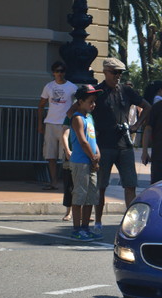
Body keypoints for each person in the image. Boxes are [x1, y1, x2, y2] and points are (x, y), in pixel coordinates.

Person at [70, 58, 151, 234]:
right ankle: (98, 222)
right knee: (100, 186)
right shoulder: (97, 92)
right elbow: (74, 111)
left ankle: (131, 224)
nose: (118, 76)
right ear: (105, 71)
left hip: (125, 146)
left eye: (120, 73)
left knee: (130, 185)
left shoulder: (127, 91)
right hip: (103, 146)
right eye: (115, 72)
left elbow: (147, 107)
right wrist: (86, 125)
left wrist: (137, 126)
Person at [69, 85, 103, 241]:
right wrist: (93, 157)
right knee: (79, 195)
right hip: (81, 162)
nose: (93, 104)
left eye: (94, 101)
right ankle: (76, 229)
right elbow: (83, 142)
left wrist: (98, 154)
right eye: (90, 101)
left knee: (91, 196)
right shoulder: (77, 118)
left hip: (91, 161)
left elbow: (93, 139)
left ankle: (85, 227)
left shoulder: (90, 118)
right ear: (80, 101)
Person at [37, 61, 77, 190]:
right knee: (51, 155)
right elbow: (41, 105)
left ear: (64, 72)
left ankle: (68, 183)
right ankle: (53, 182)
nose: (59, 74)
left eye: (61, 71)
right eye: (56, 71)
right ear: (53, 72)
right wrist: (40, 124)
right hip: (51, 124)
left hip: (65, 125)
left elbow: (77, 104)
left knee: (66, 155)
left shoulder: (72, 87)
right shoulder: (48, 87)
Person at [60, 116, 73, 221]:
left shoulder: (90, 117)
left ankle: (82, 212)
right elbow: (65, 134)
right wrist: (67, 151)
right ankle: (68, 212)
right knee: (69, 185)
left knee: (82, 185)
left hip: (84, 155)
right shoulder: (70, 117)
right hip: (71, 154)